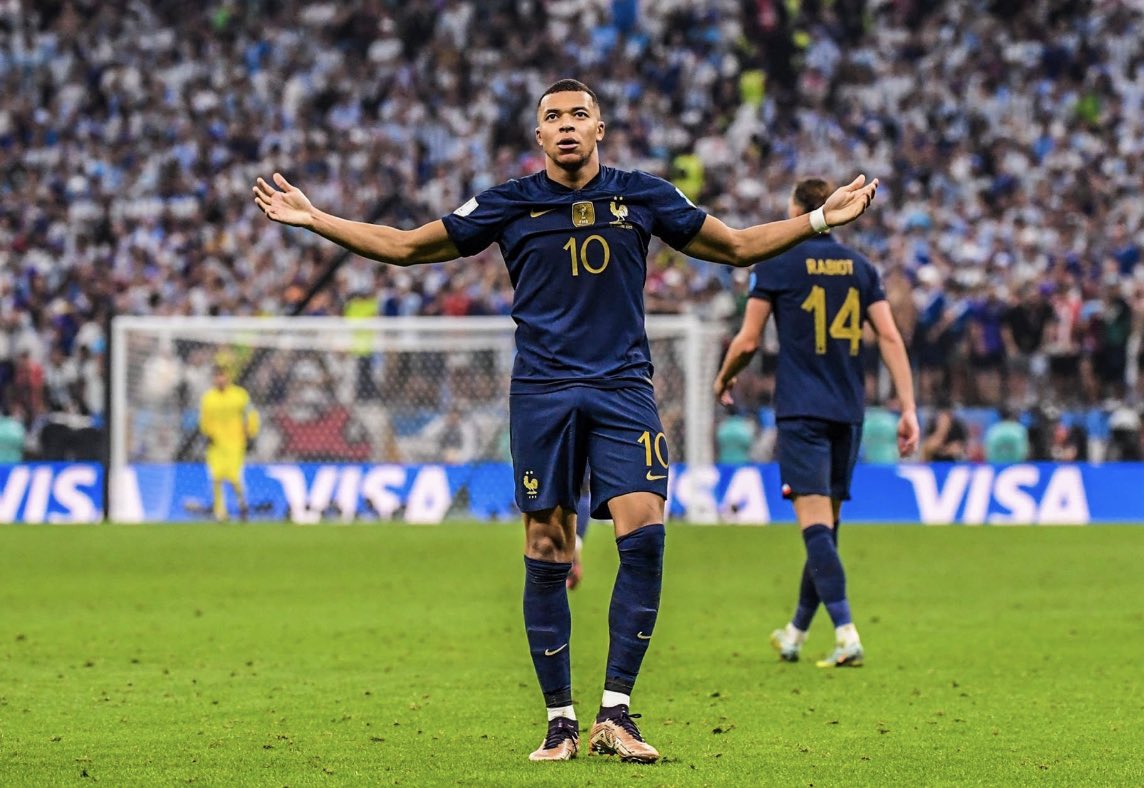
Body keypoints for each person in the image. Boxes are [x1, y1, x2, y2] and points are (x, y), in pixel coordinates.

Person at [253, 79, 880, 763]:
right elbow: (406, 246)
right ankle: (560, 723)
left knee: (645, 530)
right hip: (543, 394)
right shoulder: (510, 202)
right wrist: (317, 219)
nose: (567, 125)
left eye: (579, 114)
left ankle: (618, 711)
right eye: (553, 117)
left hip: (622, 389)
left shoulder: (642, 194)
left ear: (600, 128)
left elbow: (735, 245)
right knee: (549, 547)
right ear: (539, 138)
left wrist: (821, 222)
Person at [712, 177, 915, 670]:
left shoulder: (776, 262)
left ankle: (846, 633)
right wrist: (908, 406)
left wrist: (723, 379)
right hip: (849, 409)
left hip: (802, 408)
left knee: (815, 529)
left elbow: (748, 341)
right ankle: (796, 633)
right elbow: (888, 336)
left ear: (799, 208)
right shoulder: (862, 268)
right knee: (827, 527)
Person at [198, 364, 260, 522]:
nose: (220, 379)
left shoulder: (239, 395)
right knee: (216, 477)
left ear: (228, 377)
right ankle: (220, 513)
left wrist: (251, 433)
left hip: (235, 442)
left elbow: (251, 414)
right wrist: (207, 434)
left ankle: (242, 504)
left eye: (222, 376)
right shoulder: (208, 398)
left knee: (234, 477)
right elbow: (205, 419)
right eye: (217, 376)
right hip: (216, 444)